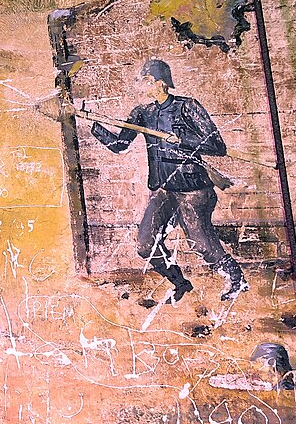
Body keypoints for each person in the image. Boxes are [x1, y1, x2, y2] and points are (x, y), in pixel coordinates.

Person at [89, 59, 247, 303]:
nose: (143, 86)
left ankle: (237, 279)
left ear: (161, 83)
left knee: (201, 244)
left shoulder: (187, 107)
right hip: (163, 190)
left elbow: (217, 146)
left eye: (147, 81)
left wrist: (182, 140)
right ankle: (180, 282)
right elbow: (119, 145)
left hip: (193, 189)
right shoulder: (143, 113)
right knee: (145, 245)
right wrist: (93, 124)